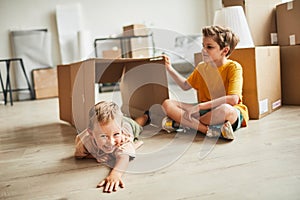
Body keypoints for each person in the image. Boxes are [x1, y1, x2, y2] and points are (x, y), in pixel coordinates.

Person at [162, 25, 249, 140]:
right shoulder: (202, 67)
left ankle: (184, 124)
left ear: (225, 50)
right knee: (167, 104)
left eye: (209, 47)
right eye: (203, 46)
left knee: (225, 110)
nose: (204, 50)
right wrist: (169, 68)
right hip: (204, 112)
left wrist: (199, 107)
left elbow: (233, 99)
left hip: (223, 110)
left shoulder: (233, 67)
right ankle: (207, 130)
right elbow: (185, 85)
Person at [74, 101, 150, 193]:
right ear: (91, 134)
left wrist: (115, 174)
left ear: (121, 132)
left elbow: (124, 157)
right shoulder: (86, 142)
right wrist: (94, 156)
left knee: (138, 124)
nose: (111, 142)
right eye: (103, 136)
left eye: (116, 135)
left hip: (127, 126)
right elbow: (78, 154)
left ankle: (146, 116)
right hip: (114, 126)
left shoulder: (121, 142)